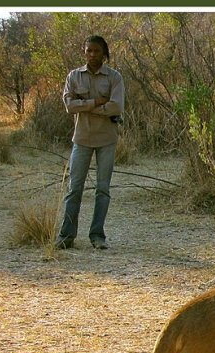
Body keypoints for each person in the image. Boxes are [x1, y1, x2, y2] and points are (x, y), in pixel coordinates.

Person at [55, 35, 125, 250]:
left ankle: (97, 236)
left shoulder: (114, 77)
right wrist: (96, 103)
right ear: (84, 52)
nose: (92, 55)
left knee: (102, 190)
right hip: (82, 138)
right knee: (74, 189)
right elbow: (69, 105)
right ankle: (66, 237)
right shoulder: (74, 76)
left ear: (104, 53)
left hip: (106, 139)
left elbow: (116, 107)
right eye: (88, 51)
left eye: (96, 51)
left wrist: (84, 106)